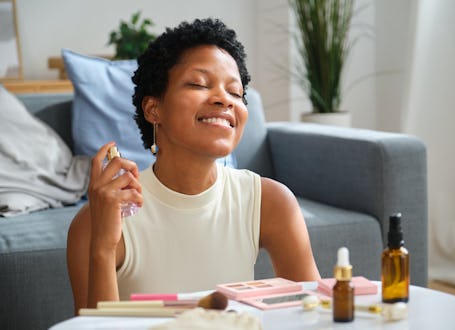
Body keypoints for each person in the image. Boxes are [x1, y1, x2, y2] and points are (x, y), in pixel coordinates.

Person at [66, 18, 320, 313]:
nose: (224, 100)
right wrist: (103, 246)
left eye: (235, 93)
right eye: (198, 84)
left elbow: (315, 312)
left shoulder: (270, 202)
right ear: (153, 109)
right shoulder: (96, 221)